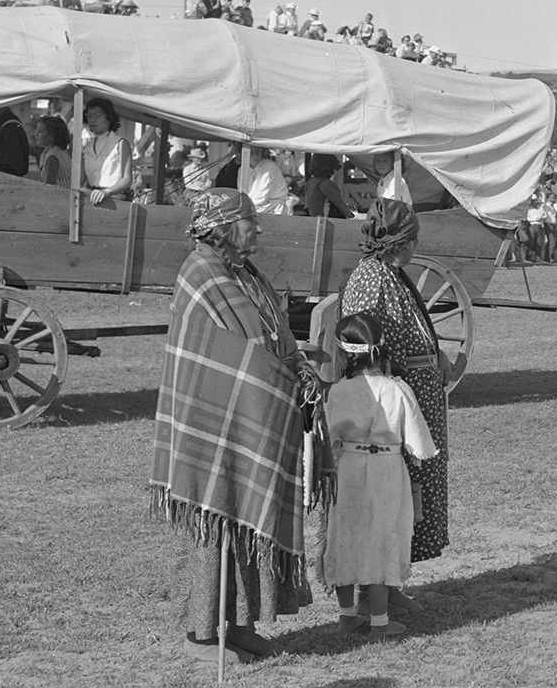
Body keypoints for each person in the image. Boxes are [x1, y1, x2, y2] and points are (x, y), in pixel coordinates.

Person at [151, 190, 314, 664]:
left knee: (247, 520)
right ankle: (202, 635)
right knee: (216, 520)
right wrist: (278, 373)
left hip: (253, 414)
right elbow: (215, 351)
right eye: (250, 220)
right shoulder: (200, 272)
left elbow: (274, 338)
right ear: (223, 225)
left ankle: (239, 625)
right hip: (214, 419)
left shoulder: (246, 274)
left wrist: (297, 370)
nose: (258, 228)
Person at [341, 200, 460, 606]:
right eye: (412, 239)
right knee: (389, 496)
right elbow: (362, 343)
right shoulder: (372, 280)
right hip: (389, 410)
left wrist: (436, 354)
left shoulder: (390, 275)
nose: (416, 246)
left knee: (405, 496)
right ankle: (375, 590)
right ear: (400, 242)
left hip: (413, 396)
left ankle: (388, 585)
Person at [322, 311, 436, 639]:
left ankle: (347, 617)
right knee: (382, 539)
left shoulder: (339, 392)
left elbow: (330, 438)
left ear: (344, 353)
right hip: (386, 470)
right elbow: (418, 444)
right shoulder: (397, 391)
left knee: (345, 536)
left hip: (349, 469)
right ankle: (380, 621)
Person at [79, 96, 132, 204]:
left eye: (98, 115)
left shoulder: (120, 143)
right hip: (92, 198)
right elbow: (80, 181)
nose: (92, 119)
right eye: (89, 116)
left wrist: (106, 192)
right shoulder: (87, 147)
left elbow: (127, 179)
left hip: (116, 200)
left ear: (109, 117)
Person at [239, 146, 293, 216]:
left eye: (257, 152)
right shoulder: (242, 169)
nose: (255, 156)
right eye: (251, 153)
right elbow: (242, 192)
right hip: (252, 208)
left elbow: (262, 197)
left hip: (273, 209)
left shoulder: (270, 166)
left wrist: (244, 206)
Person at [304, 153, 355, 218]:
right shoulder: (326, 183)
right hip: (325, 219)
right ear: (330, 167)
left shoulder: (311, 182)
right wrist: (351, 216)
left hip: (313, 217)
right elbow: (339, 203)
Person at [32, 116, 72, 187]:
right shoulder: (61, 152)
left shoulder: (52, 157)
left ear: (51, 136)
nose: (36, 134)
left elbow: (49, 186)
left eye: (40, 131)